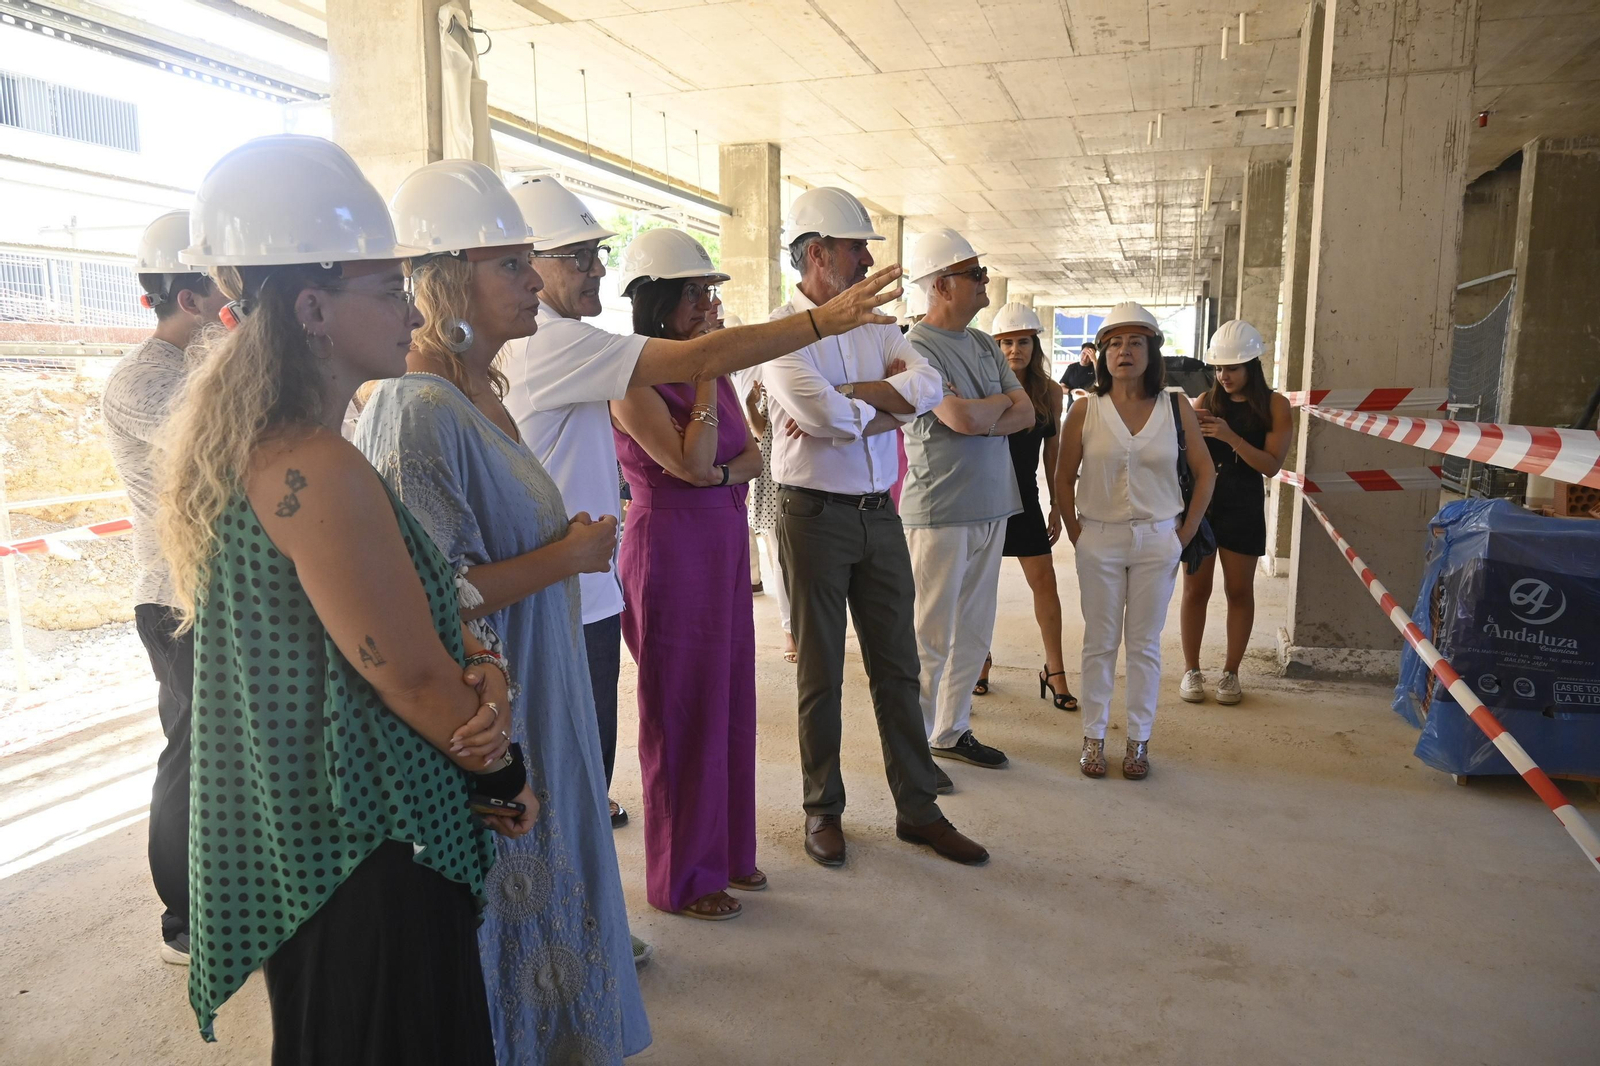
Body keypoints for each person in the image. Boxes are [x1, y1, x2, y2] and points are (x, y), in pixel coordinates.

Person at [154, 135, 534, 1061]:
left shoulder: (283, 447)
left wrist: (479, 669)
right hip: (368, 846)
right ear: (314, 306)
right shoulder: (311, 465)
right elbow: (405, 673)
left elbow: (397, 626)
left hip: (331, 842)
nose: (410, 308)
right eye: (387, 288)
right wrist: (497, 765)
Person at [355, 160, 650, 1061]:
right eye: (512, 264)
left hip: (541, 678)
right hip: (493, 705)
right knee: (505, 909)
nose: (535, 281)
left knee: (556, 883)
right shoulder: (417, 410)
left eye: (531, 261)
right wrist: (564, 557)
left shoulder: (483, 389)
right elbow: (427, 597)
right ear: (445, 281)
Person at [501, 177, 902, 829]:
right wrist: (819, 324)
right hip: (578, 581)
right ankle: (602, 908)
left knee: (611, 753)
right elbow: (700, 447)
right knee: (587, 759)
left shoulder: (565, 342)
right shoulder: (555, 344)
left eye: (598, 253)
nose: (595, 266)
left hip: (596, 582)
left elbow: (750, 452)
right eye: (578, 256)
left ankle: (608, 907)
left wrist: (729, 464)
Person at [764, 187, 990, 867]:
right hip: (812, 517)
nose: (867, 260)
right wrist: (881, 403)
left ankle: (918, 811)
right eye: (857, 247)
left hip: (877, 513)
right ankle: (822, 810)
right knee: (821, 674)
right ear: (817, 254)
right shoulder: (780, 332)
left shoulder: (876, 324)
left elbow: (927, 387)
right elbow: (824, 419)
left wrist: (859, 398)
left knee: (898, 667)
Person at [606, 227, 766, 921]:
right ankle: (681, 878)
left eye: (710, 292)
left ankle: (727, 852)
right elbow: (688, 464)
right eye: (695, 292)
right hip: (669, 544)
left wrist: (722, 472)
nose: (708, 304)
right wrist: (704, 373)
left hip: (723, 535)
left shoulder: (718, 372)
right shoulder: (629, 373)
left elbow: (749, 458)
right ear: (657, 301)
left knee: (729, 696)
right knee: (682, 710)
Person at [101, 209, 228, 967]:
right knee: (193, 752)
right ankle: (184, 923)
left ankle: (234, 896)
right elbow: (223, 446)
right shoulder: (144, 379)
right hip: (177, 597)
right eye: (226, 289)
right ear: (190, 298)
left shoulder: (201, 368)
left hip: (219, 590)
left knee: (229, 752)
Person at [1055, 301, 1214, 780]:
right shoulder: (1085, 410)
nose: (1124, 351)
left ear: (1152, 351)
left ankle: (1139, 742)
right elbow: (1063, 478)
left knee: (1144, 645)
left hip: (1157, 539)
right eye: (1115, 343)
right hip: (1098, 540)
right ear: (1101, 354)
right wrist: (1080, 535)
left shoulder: (1175, 405)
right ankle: (1094, 738)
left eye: (1135, 342)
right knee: (1099, 643)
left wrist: (1181, 534)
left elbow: (1205, 473)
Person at [899, 231, 1031, 772]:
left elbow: (1026, 413)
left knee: (974, 630)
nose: (984, 282)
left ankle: (951, 731)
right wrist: (993, 408)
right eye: (975, 274)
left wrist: (989, 408)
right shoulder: (914, 347)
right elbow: (960, 419)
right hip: (940, 509)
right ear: (943, 285)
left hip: (992, 504)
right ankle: (913, 748)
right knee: (930, 635)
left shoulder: (979, 344)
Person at [973, 301, 1079, 713]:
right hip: (983, 500)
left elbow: (1053, 451)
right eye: (1005, 343)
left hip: (1025, 501)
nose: (1014, 350)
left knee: (1045, 584)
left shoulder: (1051, 392)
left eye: (1022, 341)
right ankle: (979, 658)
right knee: (980, 588)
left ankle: (1055, 671)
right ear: (994, 346)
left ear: (1035, 344)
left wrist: (1057, 504)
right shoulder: (983, 386)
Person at [1179, 320, 1291, 705]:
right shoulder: (1205, 402)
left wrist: (1229, 436)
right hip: (1203, 505)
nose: (1223, 376)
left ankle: (1230, 672)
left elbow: (1271, 465)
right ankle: (1191, 670)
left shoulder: (1275, 405)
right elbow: (1188, 459)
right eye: (1218, 368)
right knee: (1196, 589)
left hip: (1243, 505)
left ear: (1252, 366)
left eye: (1232, 368)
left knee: (1239, 590)